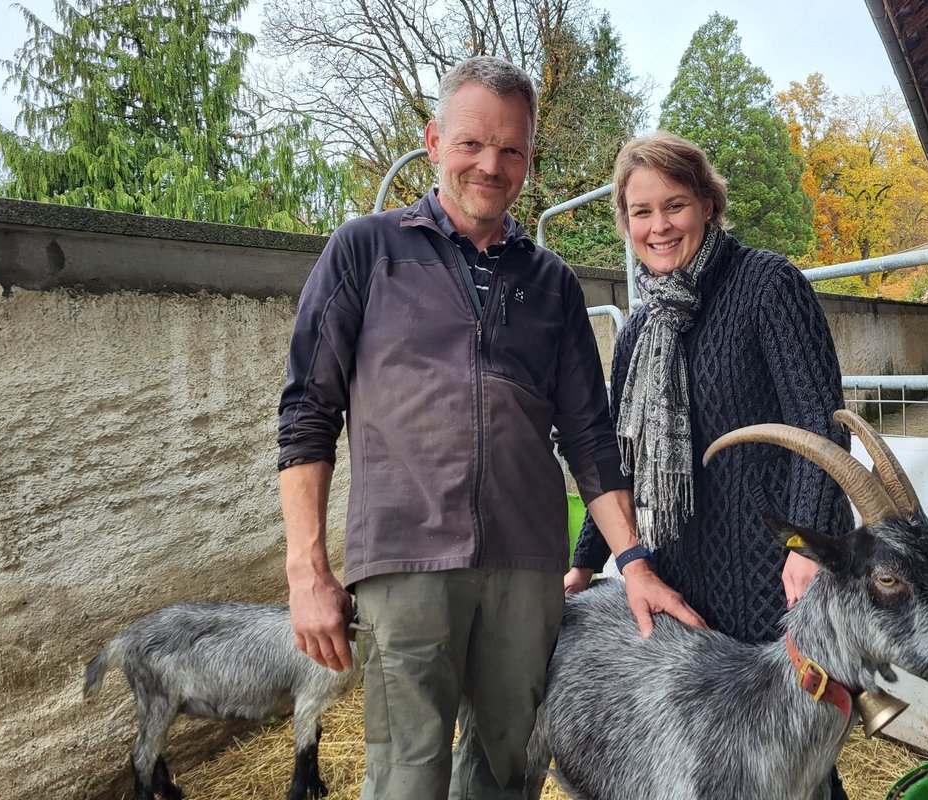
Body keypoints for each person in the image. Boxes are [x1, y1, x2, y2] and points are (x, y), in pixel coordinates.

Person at [276, 58, 703, 800]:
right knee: (407, 778)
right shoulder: (366, 250)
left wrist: (632, 563)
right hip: (405, 560)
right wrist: (307, 569)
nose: (491, 165)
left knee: (508, 771)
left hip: (525, 569)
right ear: (435, 140)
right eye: (473, 143)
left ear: (528, 159)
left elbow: (590, 437)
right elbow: (307, 413)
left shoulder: (553, 284)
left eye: (511, 150)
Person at [566, 131, 855, 800]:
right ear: (626, 221)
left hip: (772, 579)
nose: (659, 226)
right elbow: (622, 456)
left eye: (675, 205)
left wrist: (806, 546)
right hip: (678, 583)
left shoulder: (766, 284)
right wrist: (586, 560)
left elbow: (820, 422)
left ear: (706, 203)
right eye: (641, 211)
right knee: (708, 761)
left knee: (792, 762)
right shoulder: (639, 330)